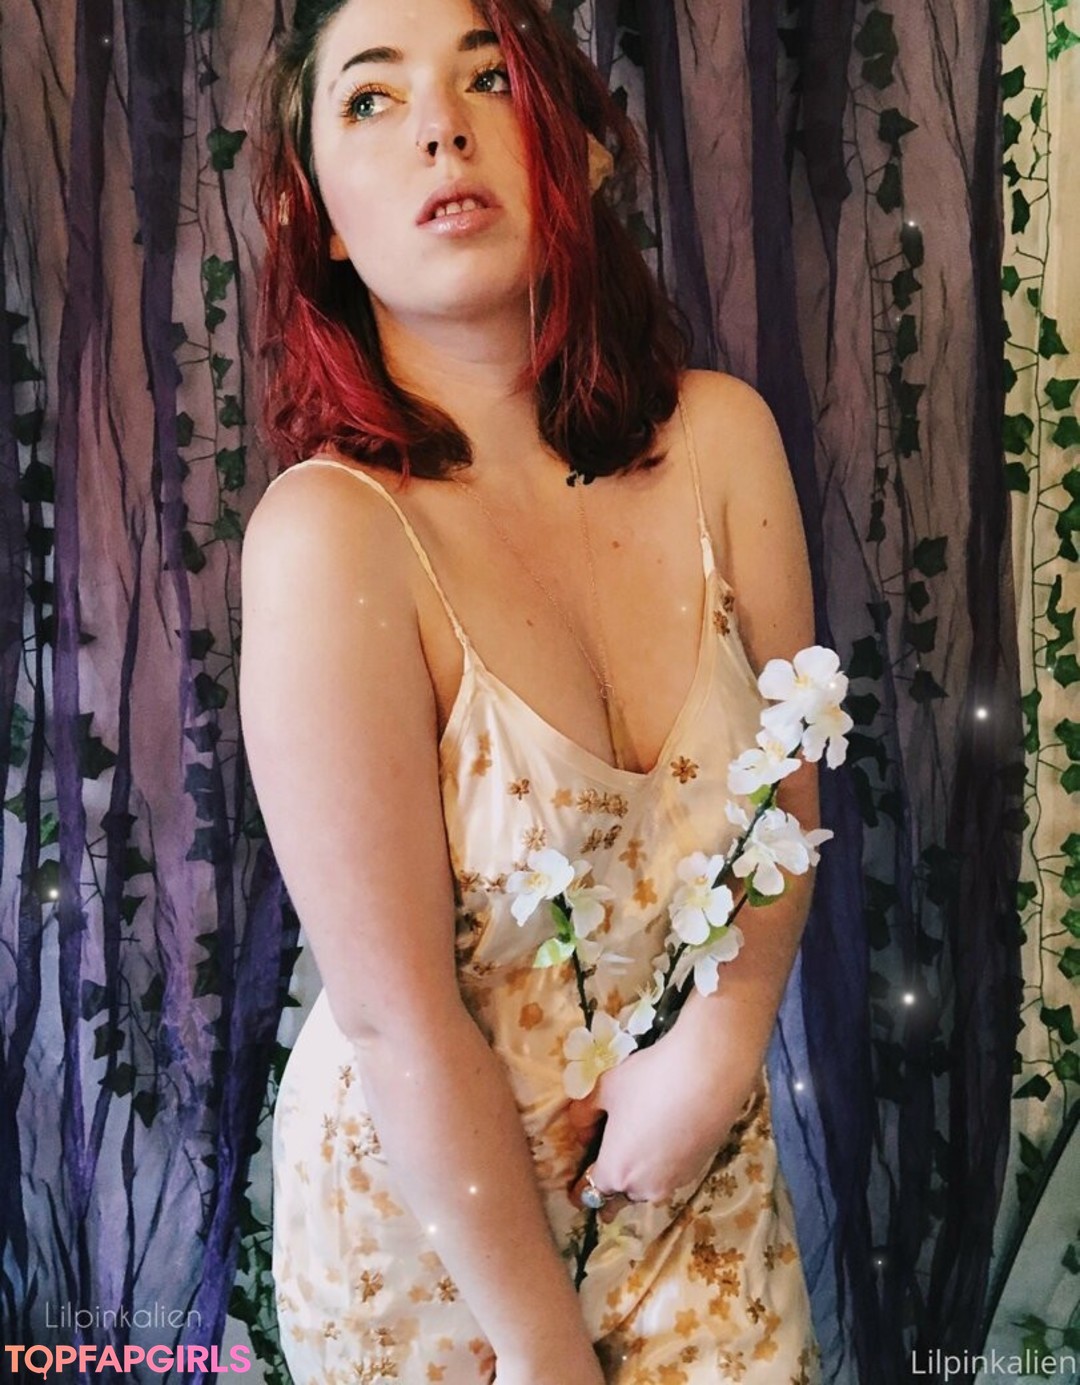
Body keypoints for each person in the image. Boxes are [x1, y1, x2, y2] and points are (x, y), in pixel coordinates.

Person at [240, 0, 825, 1381]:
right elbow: (393, 1015)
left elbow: (789, 796)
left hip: (689, 1158)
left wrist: (727, 1036)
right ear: (318, 217)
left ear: (570, 141)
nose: (441, 127)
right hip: (442, 1242)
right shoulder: (332, 537)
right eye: (371, 99)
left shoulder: (722, 440)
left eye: (489, 77)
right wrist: (543, 1347)